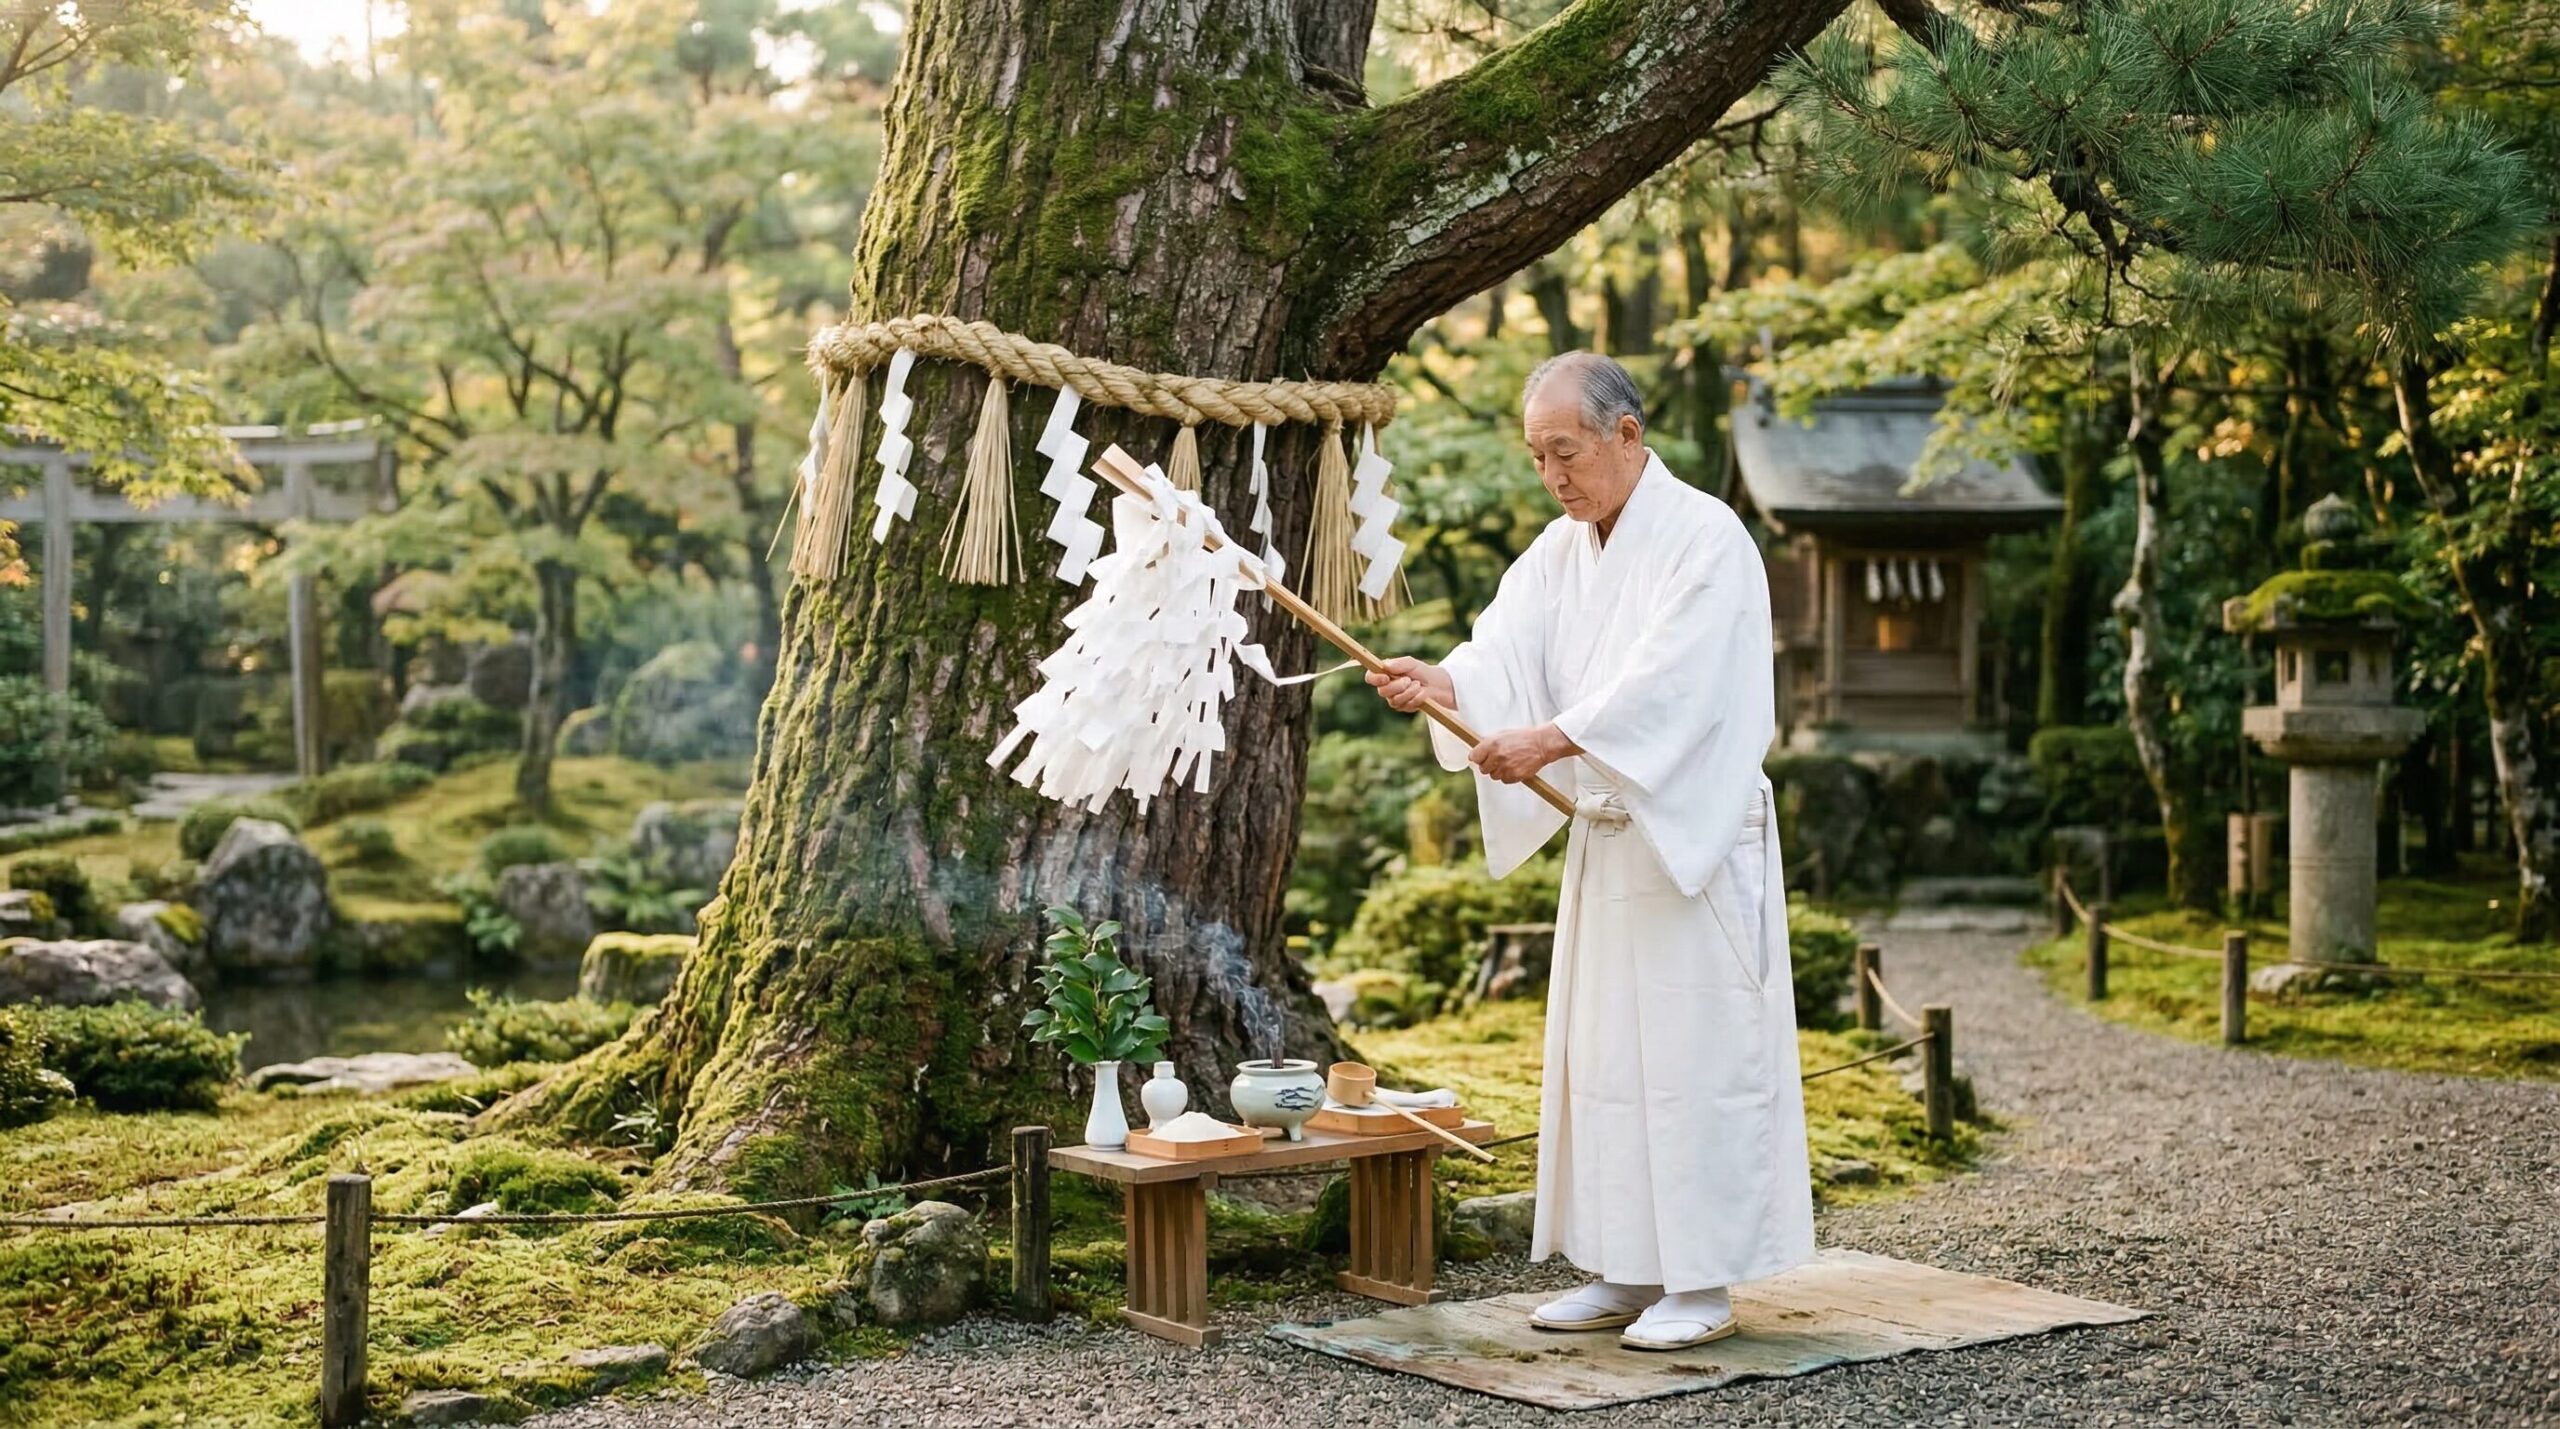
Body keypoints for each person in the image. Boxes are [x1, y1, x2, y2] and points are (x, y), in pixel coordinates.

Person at [1366, 351, 1813, 1351]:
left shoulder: (1706, 537)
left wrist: (1552, 739)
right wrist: (1438, 680)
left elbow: (1674, 679)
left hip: (1687, 838)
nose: (1553, 476)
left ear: (1625, 434)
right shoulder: (1559, 553)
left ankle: (1701, 1280)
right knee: (1606, 1060)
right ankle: (1624, 1266)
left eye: (1564, 451)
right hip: (1610, 839)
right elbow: (1503, 656)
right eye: (1536, 458)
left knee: (1692, 1062)